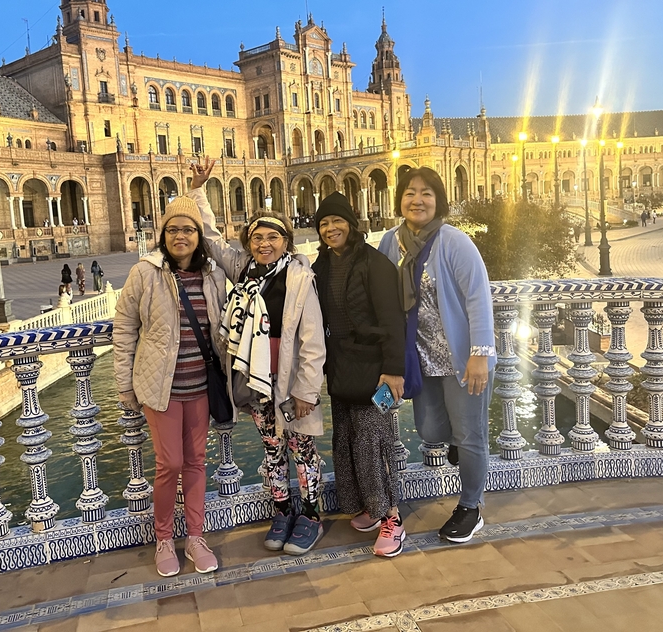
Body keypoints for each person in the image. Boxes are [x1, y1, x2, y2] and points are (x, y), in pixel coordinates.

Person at [188, 158, 326, 556]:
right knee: (271, 448)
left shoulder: (300, 277)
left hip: (290, 380)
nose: (264, 244)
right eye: (257, 238)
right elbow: (212, 240)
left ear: (286, 241)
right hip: (255, 378)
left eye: (272, 237)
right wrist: (199, 189)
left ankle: (311, 516)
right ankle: (283, 510)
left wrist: (306, 390)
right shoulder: (244, 268)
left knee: (302, 448)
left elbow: (313, 342)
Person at [378, 167, 496, 544]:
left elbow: (478, 297)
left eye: (427, 193)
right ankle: (459, 446)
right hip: (421, 360)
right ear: (399, 199)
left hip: (462, 360)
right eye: (410, 192)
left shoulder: (454, 241)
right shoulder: (389, 243)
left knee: (471, 433)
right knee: (430, 430)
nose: (418, 200)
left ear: (438, 200)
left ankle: (471, 506)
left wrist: (480, 354)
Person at [114, 196, 227, 578]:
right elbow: (125, 329)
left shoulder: (211, 274)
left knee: (196, 463)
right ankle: (164, 537)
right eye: (174, 229)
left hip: (200, 387)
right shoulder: (144, 272)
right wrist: (124, 385)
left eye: (189, 229)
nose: (181, 236)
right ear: (163, 234)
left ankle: (195, 537)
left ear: (199, 236)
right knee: (170, 464)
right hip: (160, 388)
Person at [311, 192, 407, 557]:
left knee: (374, 442)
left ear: (351, 223)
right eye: (324, 223)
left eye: (337, 221)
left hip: (376, 372)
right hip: (339, 368)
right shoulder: (318, 266)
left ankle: (392, 518)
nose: (331, 228)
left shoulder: (375, 263)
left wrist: (393, 371)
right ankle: (369, 505)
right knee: (348, 440)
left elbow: (392, 320)